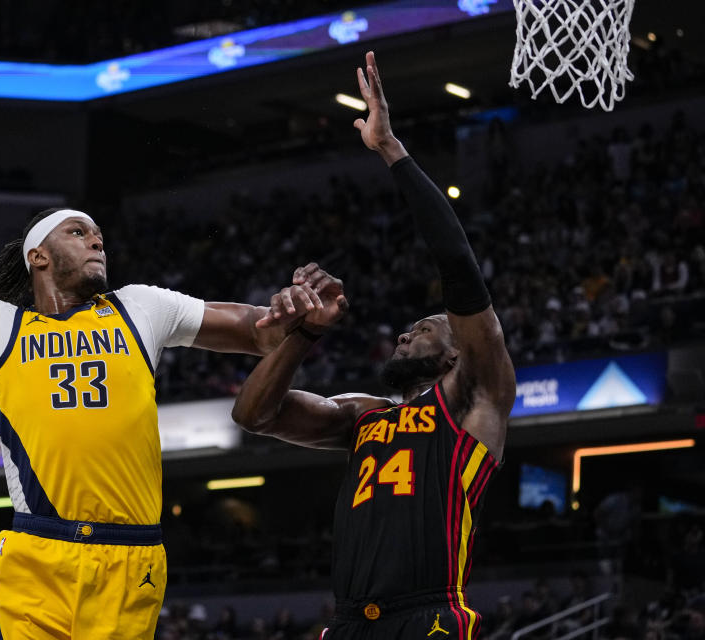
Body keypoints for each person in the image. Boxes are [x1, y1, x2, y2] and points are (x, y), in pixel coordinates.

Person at [0, 170, 333, 639]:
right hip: (39, 555)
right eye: (78, 232)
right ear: (38, 256)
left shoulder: (139, 307)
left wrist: (296, 308)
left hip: (132, 558)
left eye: (100, 235)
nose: (97, 241)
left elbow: (258, 331)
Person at [231, 51, 516, 640]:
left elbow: (458, 266)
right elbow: (252, 414)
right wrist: (306, 333)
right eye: (408, 326)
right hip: (347, 623)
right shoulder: (364, 416)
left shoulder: (472, 398)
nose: (408, 330)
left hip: (430, 615)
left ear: (458, 349)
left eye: (427, 326)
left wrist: (391, 150)